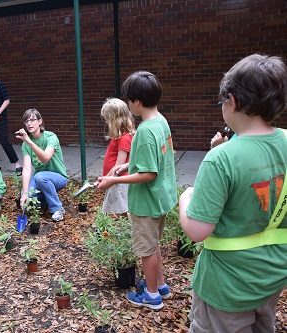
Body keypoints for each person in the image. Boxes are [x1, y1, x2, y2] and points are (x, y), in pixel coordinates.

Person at [179, 54, 287, 332]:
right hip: (272, 276)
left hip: (227, 287)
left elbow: (197, 231)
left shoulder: (221, 159)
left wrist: (185, 199)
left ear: (233, 101)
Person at [96, 71, 177, 310]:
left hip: (146, 203)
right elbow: (155, 160)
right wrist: (127, 165)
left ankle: (152, 296)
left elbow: (149, 174)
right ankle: (160, 285)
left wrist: (113, 181)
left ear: (137, 102)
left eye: (129, 100)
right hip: (161, 198)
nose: (129, 104)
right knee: (152, 245)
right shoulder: (160, 122)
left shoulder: (145, 131)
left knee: (145, 249)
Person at [16, 108, 68, 222]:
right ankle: (45, 201)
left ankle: (57, 209)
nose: (29, 123)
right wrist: (24, 193)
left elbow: (45, 158)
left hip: (58, 177)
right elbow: (27, 169)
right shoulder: (25, 145)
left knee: (40, 177)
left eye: (32, 120)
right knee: (29, 199)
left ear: (40, 121)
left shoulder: (50, 137)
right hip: (40, 178)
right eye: (26, 121)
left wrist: (29, 142)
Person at [100, 98, 135, 215]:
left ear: (115, 119)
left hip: (119, 184)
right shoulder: (120, 137)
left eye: (108, 119)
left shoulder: (124, 138)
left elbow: (118, 167)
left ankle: (128, 232)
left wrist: (106, 180)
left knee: (122, 213)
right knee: (117, 213)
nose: (106, 122)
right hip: (115, 182)